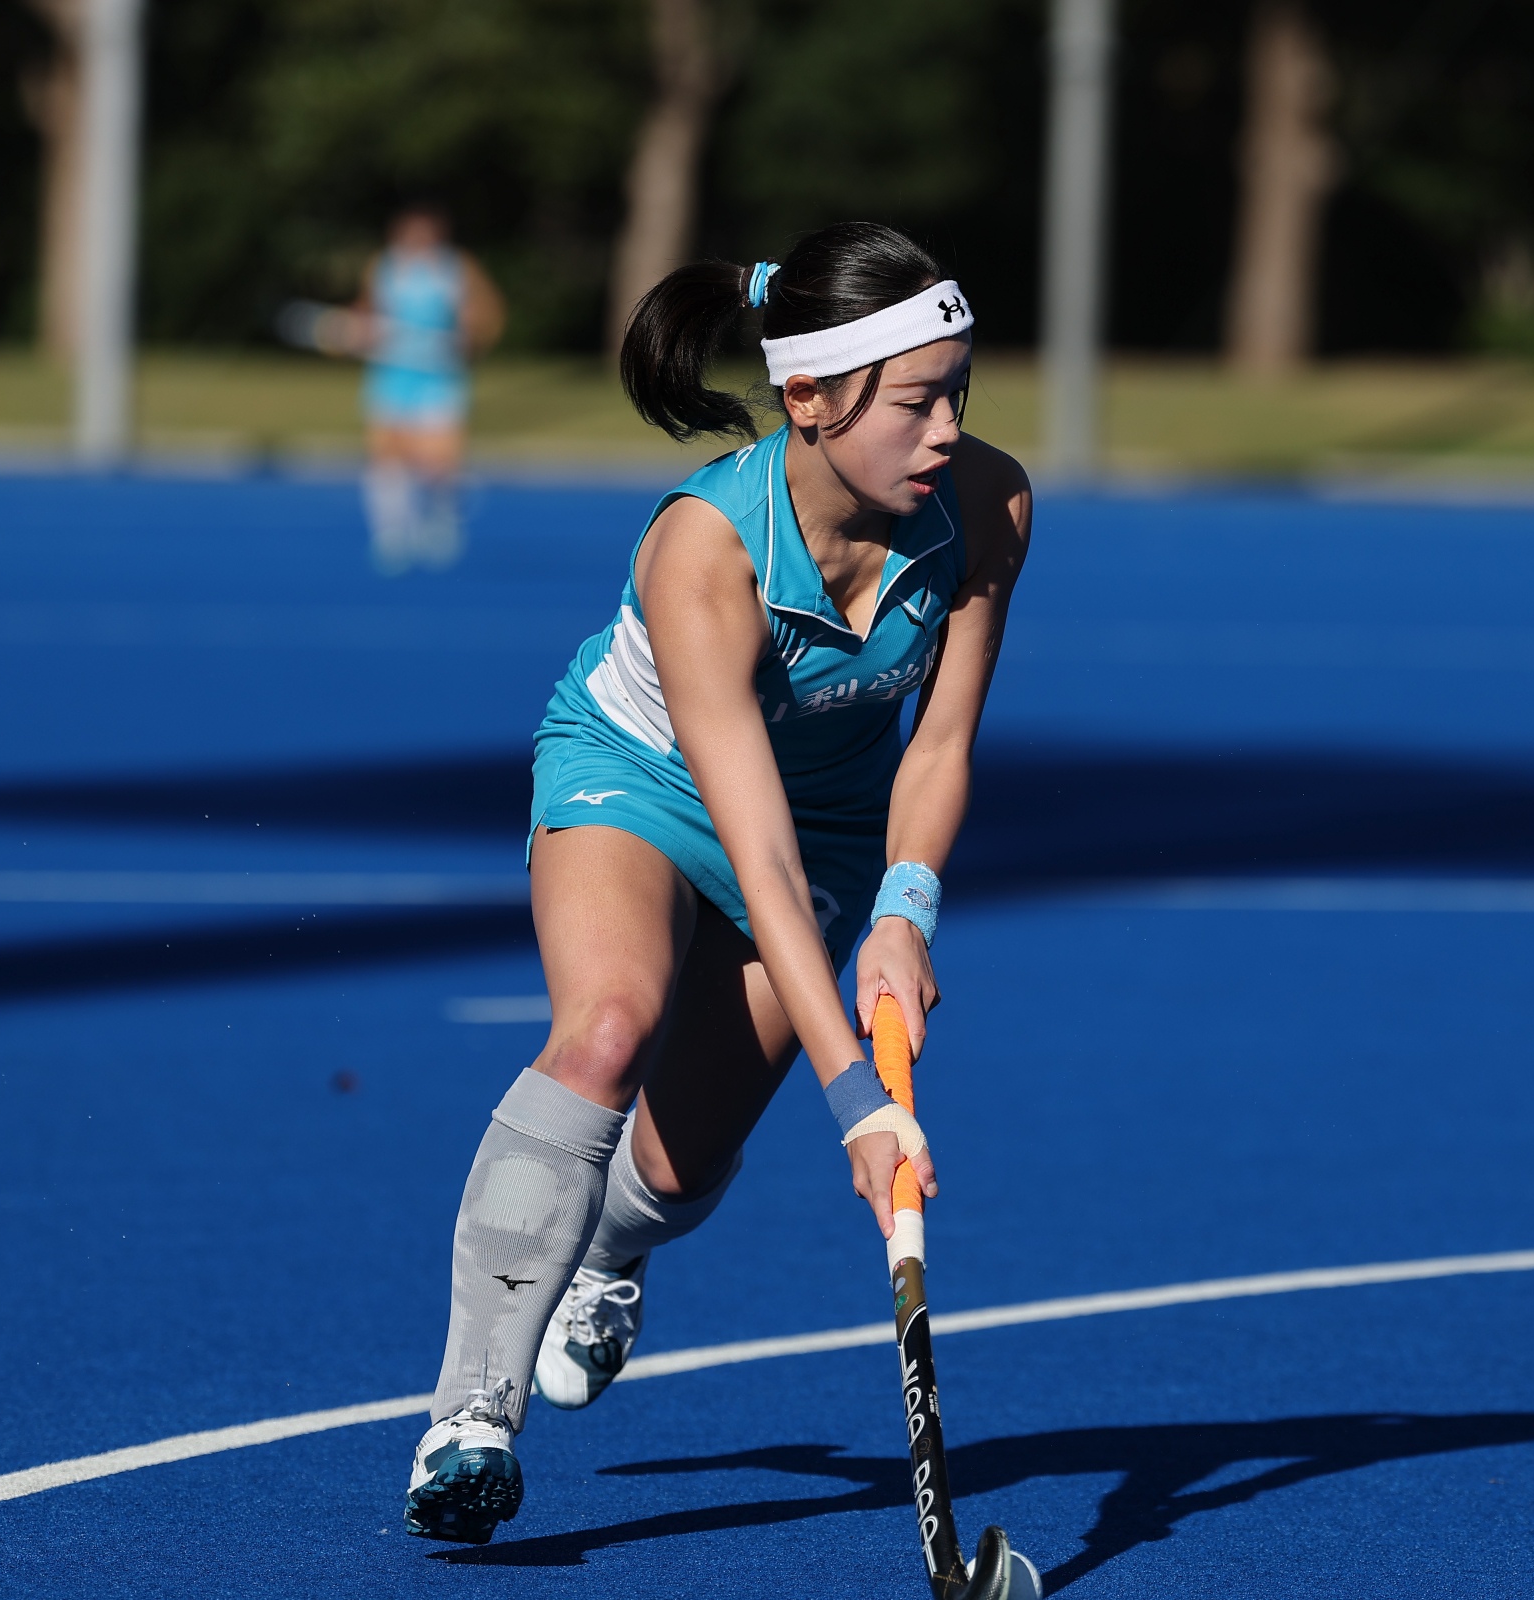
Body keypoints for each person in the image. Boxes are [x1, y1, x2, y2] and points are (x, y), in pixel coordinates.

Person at [403, 221, 1033, 1545]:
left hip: (836, 818)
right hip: (639, 776)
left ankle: (608, 1252)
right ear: (809, 402)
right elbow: (754, 853)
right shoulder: (706, 550)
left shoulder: (988, 504)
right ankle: (468, 1417)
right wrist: (859, 1100)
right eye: (917, 402)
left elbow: (940, 746)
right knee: (608, 1028)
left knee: (680, 1164)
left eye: (960, 394)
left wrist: (905, 911)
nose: (947, 430)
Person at [355, 203, 504, 573]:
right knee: (387, 457)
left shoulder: (456, 268)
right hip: (392, 376)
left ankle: (441, 523)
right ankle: (390, 533)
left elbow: (485, 316)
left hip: (438, 378)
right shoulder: (384, 267)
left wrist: (467, 337)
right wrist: (362, 330)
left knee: (439, 462)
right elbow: (366, 312)